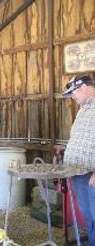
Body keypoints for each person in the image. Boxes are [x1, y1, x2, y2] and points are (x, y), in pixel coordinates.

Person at [62, 75, 95, 245]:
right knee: (88, 217)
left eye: (73, 92)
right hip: (78, 173)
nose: (72, 97)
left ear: (83, 87)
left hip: (92, 175)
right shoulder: (82, 110)